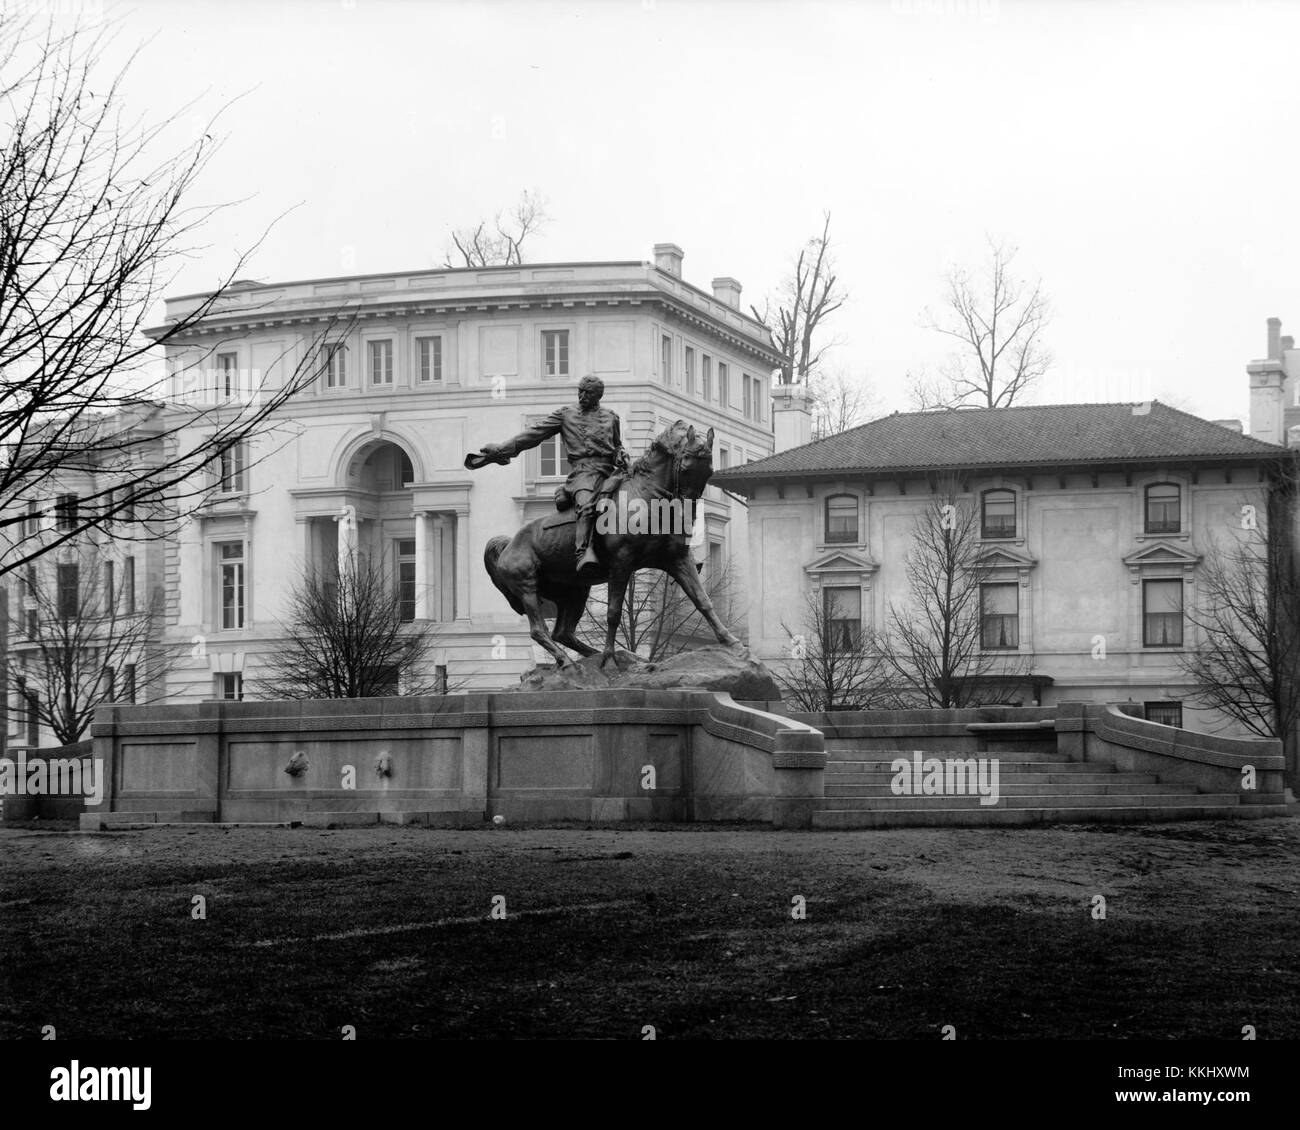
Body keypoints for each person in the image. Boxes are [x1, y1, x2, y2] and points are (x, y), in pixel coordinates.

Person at [469, 374, 629, 578]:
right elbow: (533, 434)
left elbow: (617, 446)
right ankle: (583, 553)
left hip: (609, 472)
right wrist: (500, 450)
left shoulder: (611, 417)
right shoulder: (566, 414)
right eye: (580, 391)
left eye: (587, 393)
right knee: (586, 504)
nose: (581, 396)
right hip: (583, 473)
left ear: (598, 396)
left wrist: (621, 454)